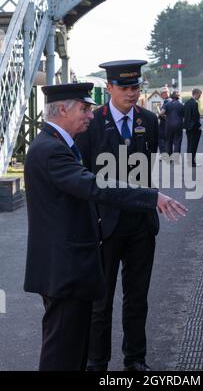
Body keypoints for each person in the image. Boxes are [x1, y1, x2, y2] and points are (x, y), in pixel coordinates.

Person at [24, 82, 187, 371]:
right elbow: (96, 186)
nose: (90, 115)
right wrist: (152, 196)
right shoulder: (51, 150)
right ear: (62, 109)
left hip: (67, 270)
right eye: (84, 109)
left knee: (72, 349)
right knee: (61, 353)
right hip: (64, 272)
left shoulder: (55, 144)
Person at [76, 60, 172, 372]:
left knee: (137, 298)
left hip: (141, 224)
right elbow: (85, 175)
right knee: (99, 302)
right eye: (124, 88)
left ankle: (135, 359)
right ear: (109, 89)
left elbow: (147, 169)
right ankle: (97, 361)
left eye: (135, 87)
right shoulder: (93, 123)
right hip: (104, 225)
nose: (132, 94)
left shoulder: (148, 120)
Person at [161, 90, 184, 158]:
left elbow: (161, 113)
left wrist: (166, 117)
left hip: (169, 125)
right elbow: (184, 115)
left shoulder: (167, 104)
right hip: (178, 125)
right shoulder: (181, 105)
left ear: (171, 96)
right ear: (178, 97)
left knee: (168, 142)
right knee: (177, 142)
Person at [183, 88, 202, 166]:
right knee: (193, 146)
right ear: (196, 93)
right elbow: (195, 117)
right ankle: (192, 163)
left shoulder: (186, 103)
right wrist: (199, 126)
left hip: (188, 127)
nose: (200, 97)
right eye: (199, 95)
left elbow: (185, 115)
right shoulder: (194, 103)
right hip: (194, 128)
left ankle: (189, 161)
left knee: (189, 145)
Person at [157, 86, 171, 156]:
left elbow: (161, 114)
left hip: (164, 124)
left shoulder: (166, 102)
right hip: (170, 124)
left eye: (161, 94)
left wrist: (159, 114)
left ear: (164, 93)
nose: (161, 95)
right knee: (168, 140)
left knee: (160, 139)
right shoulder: (172, 100)